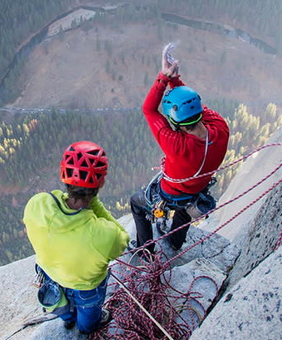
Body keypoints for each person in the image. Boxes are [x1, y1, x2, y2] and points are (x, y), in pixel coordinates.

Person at [130, 45, 230, 254]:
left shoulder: (177, 145)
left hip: (170, 193)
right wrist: (175, 80)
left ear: (175, 123)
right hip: (198, 189)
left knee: (137, 203)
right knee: (185, 208)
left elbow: (148, 109)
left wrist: (164, 78)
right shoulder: (220, 127)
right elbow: (192, 105)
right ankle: (175, 242)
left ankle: (144, 250)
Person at [23, 141, 129, 333]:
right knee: (89, 316)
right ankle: (86, 329)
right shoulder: (105, 235)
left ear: (64, 176)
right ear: (101, 183)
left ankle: (67, 318)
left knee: (60, 303)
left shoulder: (37, 205)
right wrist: (93, 202)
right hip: (86, 288)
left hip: (49, 273)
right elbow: (122, 239)